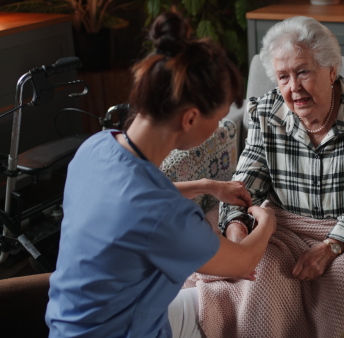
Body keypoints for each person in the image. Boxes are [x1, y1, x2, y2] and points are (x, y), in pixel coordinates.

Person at [45, 11, 276, 338]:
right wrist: (267, 222)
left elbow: (131, 200)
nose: (216, 130)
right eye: (218, 119)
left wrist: (207, 186)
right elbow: (242, 262)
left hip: (71, 323)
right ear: (190, 118)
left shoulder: (96, 148)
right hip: (120, 331)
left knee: (214, 307)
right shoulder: (163, 215)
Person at [220, 15, 344, 280]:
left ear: (331, 71)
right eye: (283, 77)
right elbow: (245, 184)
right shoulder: (265, 113)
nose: (294, 87)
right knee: (261, 275)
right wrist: (236, 225)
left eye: (303, 72)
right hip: (286, 228)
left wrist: (332, 245)